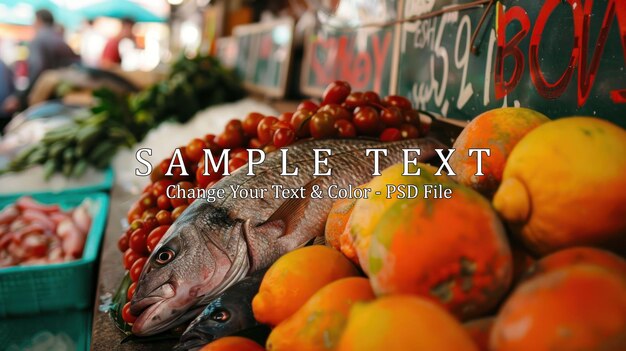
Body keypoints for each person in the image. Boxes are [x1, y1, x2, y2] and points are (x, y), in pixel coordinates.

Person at [1, 9, 79, 115]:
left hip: (44, 98)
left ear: (38, 20)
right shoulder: (60, 39)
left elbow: (37, 69)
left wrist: (19, 97)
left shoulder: (38, 40)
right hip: (61, 98)